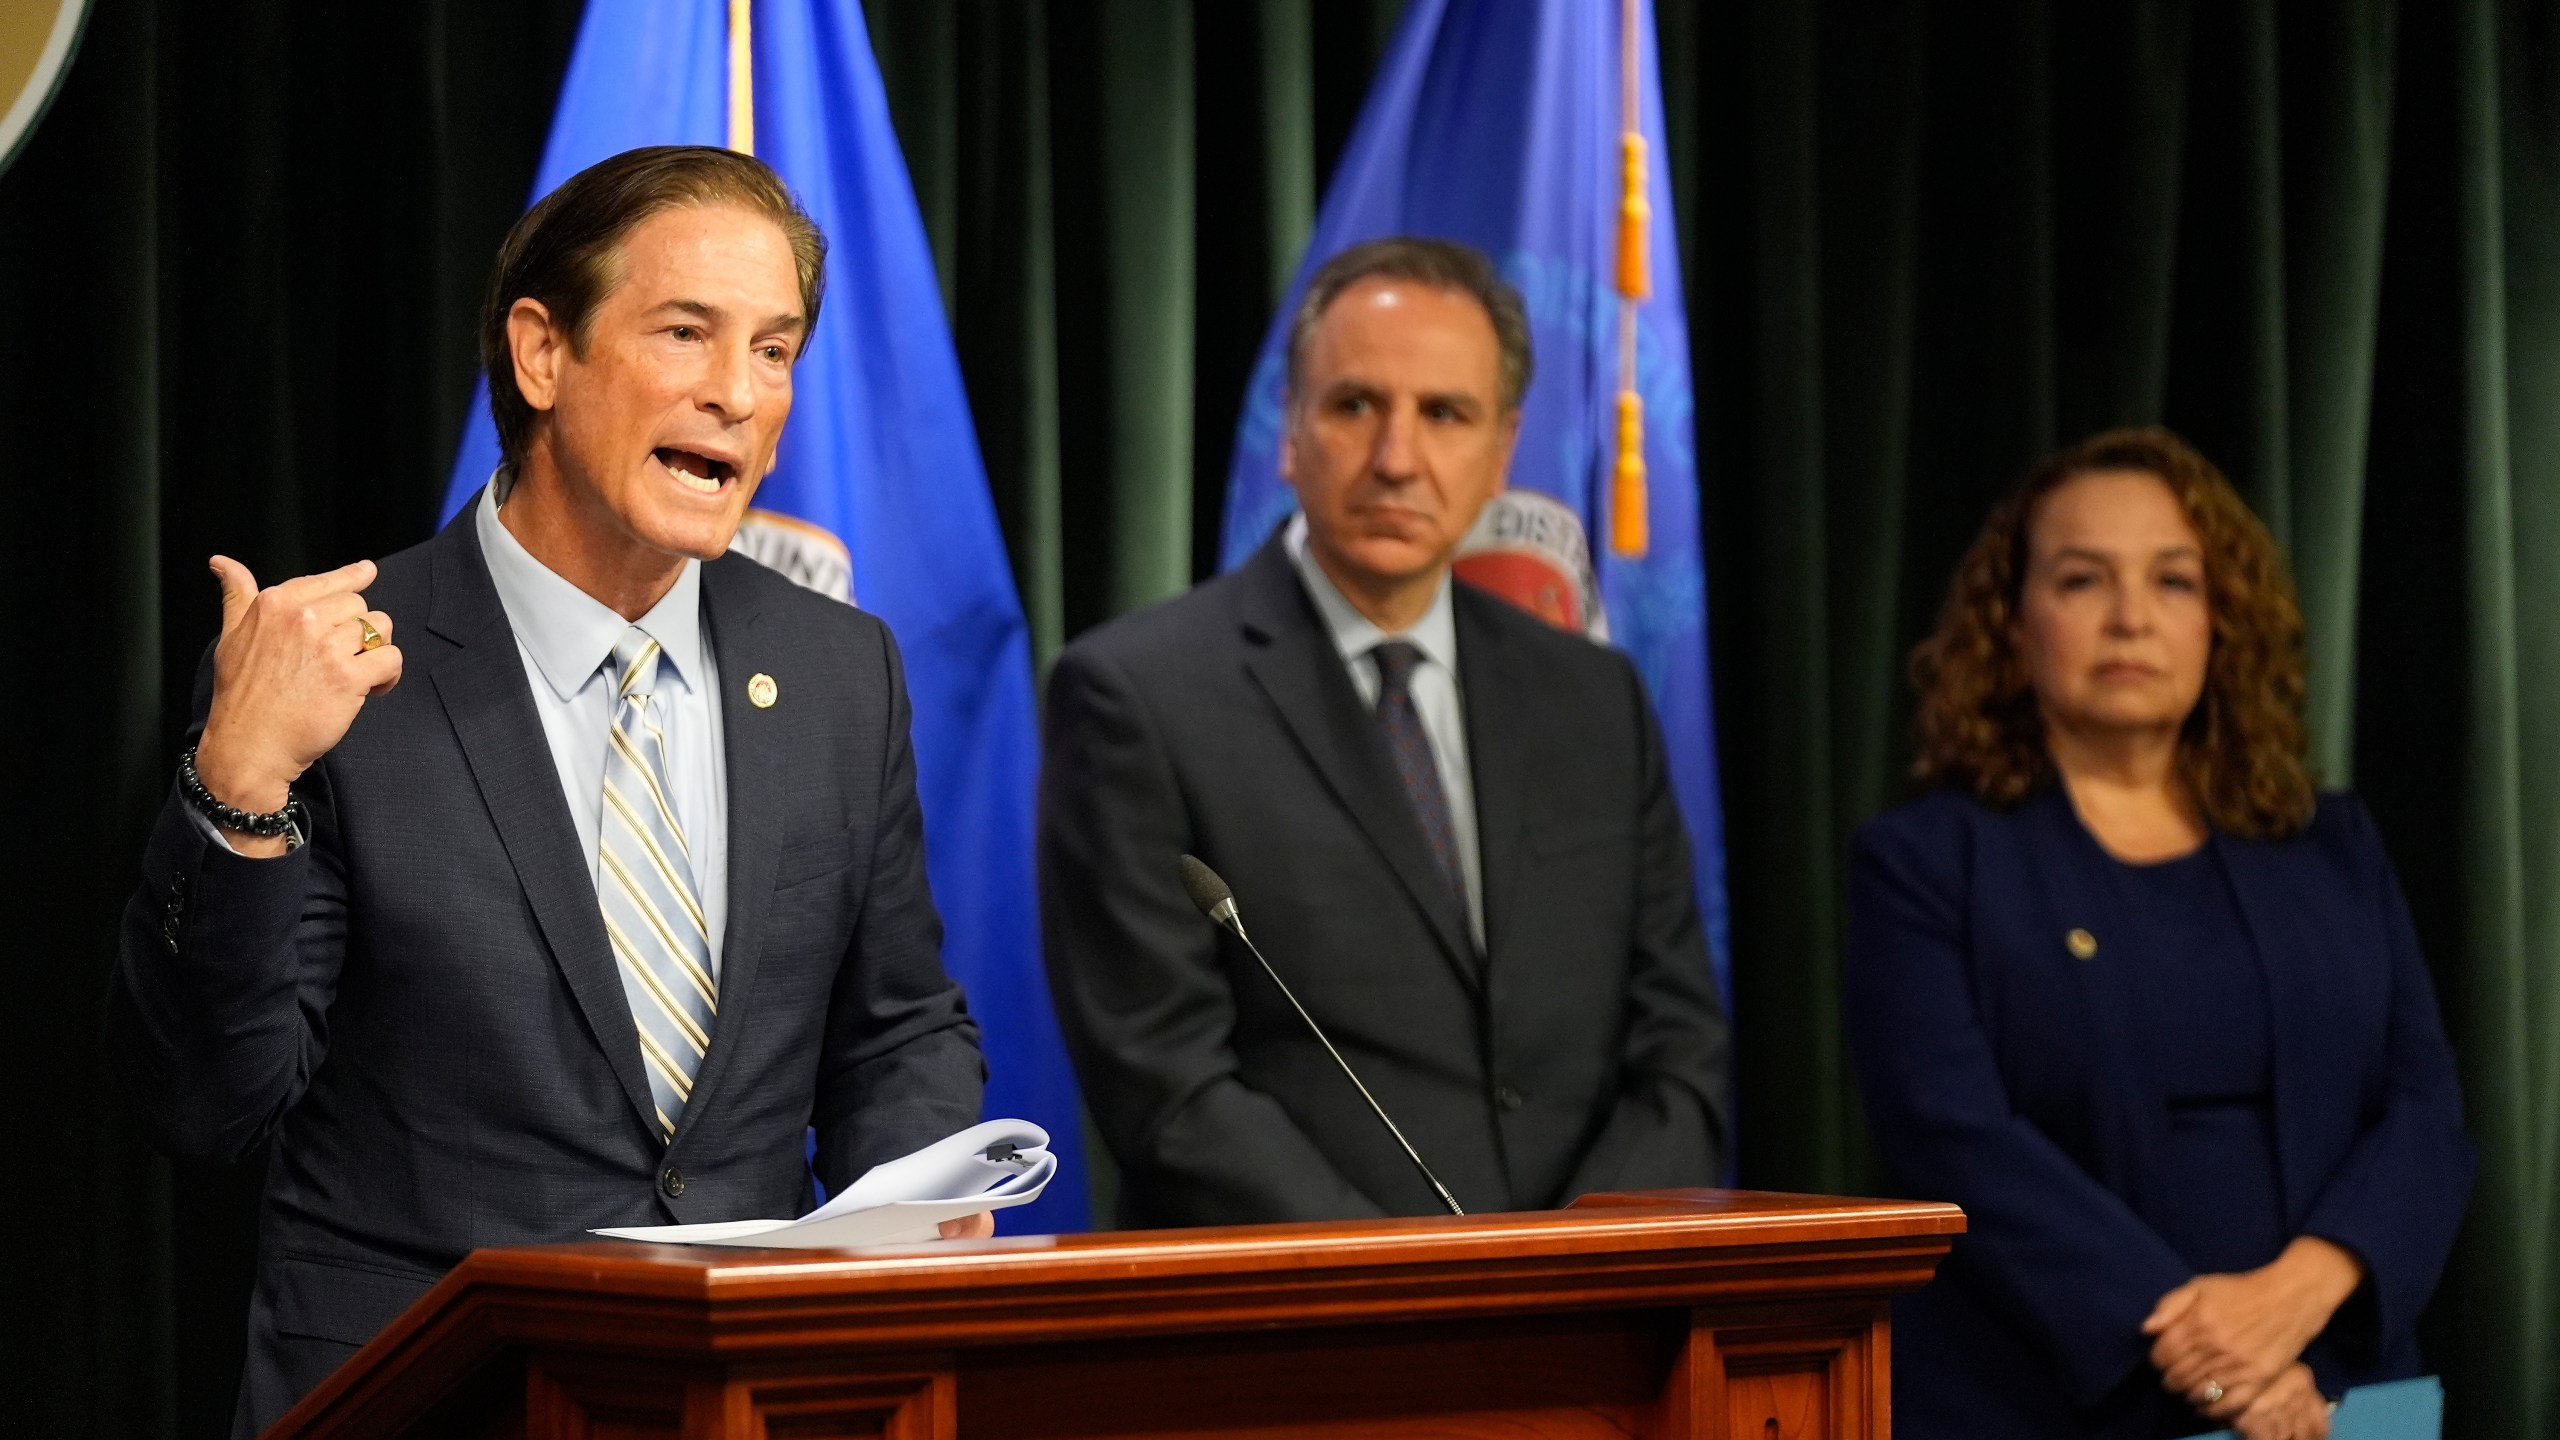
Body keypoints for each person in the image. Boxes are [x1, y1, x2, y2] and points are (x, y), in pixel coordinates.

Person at [108, 146, 989, 1436]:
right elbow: (204, 1105)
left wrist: (914, 1200)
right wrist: (240, 783)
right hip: (427, 1397)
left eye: (774, 349)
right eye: (686, 333)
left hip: (745, 1399)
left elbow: (894, 1027)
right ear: (540, 354)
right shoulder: (342, 669)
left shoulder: (839, 670)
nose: (739, 394)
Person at [1038, 236, 1732, 1227]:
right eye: (1356, 405)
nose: (1397, 460)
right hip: (1306, 1303)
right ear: (1291, 431)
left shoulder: (1597, 701)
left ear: (1501, 451)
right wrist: (1418, 1284)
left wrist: (1574, 1264)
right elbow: (1167, 1086)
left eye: (1444, 414)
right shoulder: (1136, 696)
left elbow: (1680, 1051)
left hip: (1593, 1298)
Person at [1846, 427, 2474, 1440]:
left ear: (2221, 620)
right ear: (2013, 623)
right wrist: (2220, 1364)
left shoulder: (2331, 845)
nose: (2130, 617)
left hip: (2331, 1395)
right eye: (2082, 580)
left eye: (2173, 581)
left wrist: (2303, 1300)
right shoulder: (1925, 864)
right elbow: (1951, 1141)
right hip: (2040, 1402)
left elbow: (2425, 1109)